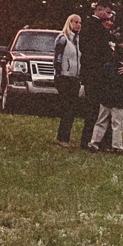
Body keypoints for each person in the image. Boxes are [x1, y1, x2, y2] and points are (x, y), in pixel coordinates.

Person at [90, 40, 123, 152]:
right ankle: (117, 146)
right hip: (118, 101)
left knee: (101, 122)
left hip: (105, 98)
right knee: (117, 124)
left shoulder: (107, 66)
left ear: (113, 54)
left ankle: (94, 143)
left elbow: (101, 82)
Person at [53, 13, 88, 147]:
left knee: (71, 108)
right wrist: (59, 73)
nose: (78, 25)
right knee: (67, 107)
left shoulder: (78, 40)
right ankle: (63, 138)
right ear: (70, 23)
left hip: (74, 77)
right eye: (76, 22)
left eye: (80, 23)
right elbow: (58, 58)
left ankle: (64, 136)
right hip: (64, 77)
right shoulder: (62, 39)